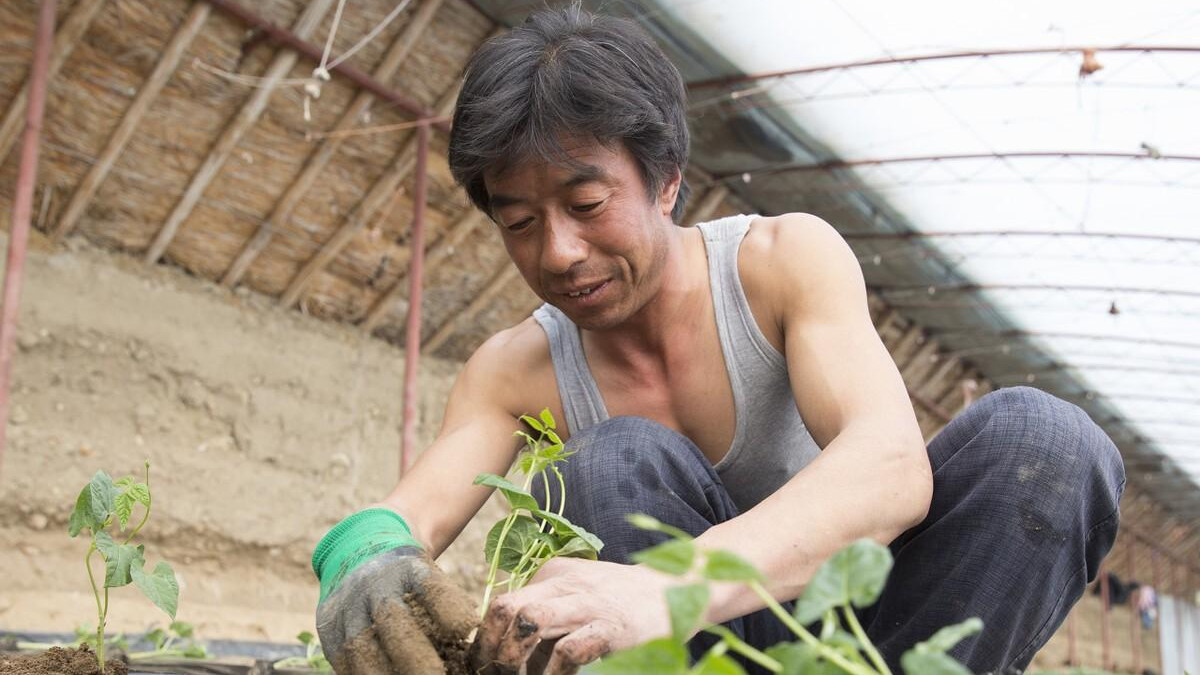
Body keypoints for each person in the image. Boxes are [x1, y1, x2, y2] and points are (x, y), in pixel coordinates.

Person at [310, 6, 1125, 674]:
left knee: (1046, 440)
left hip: (876, 631)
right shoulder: (517, 370)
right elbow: (398, 519)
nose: (557, 251)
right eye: (520, 223)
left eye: (587, 204)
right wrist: (363, 565)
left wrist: (666, 588)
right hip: (701, 658)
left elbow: (889, 463)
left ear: (667, 180)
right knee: (612, 458)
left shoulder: (779, 264)